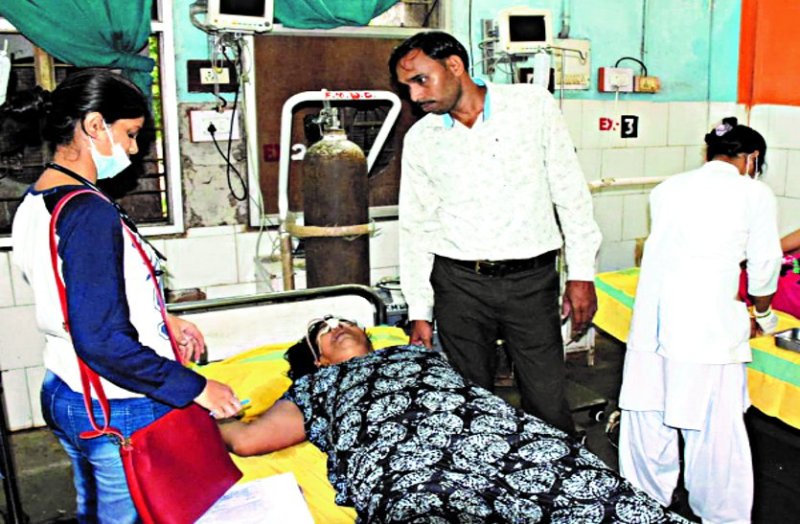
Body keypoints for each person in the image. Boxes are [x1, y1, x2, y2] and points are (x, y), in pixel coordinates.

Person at [9, 69, 243, 523]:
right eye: (130, 134)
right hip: (114, 403)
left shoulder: (39, 200)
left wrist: (161, 320)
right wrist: (197, 388)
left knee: (94, 512)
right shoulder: (88, 211)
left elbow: (68, 294)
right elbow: (100, 340)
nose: (134, 150)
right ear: (95, 125)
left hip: (64, 387)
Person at [221, 315, 690, 523]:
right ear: (319, 359)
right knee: (429, 507)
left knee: (587, 486)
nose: (337, 326)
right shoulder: (317, 385)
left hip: (494, 435)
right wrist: (195, 399)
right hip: (407, 460)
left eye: (343, 320)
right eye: (322, 331)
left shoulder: (416, 354)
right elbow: (245, 438)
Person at [387, 31, 602, 436]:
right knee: (470, 402)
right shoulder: (423, 139)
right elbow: (417, 227)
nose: (415, 96)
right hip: (459, 285)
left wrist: (582, 273)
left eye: (421, 80)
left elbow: (570, 192)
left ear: (454, 65)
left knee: (546, 398)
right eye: (407, 87)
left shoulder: (531, 106)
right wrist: (420, 310)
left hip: (531, 281)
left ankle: (557, 469)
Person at [618, 117, 782, 523]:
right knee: (714, 433)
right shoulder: (754, 193)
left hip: (652, 324)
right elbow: (764, 267)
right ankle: (722, 517)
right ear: (752, 158)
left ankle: (642, 508)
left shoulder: (668, 188)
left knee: (648, 416)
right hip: (707, 329)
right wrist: (763, 313)